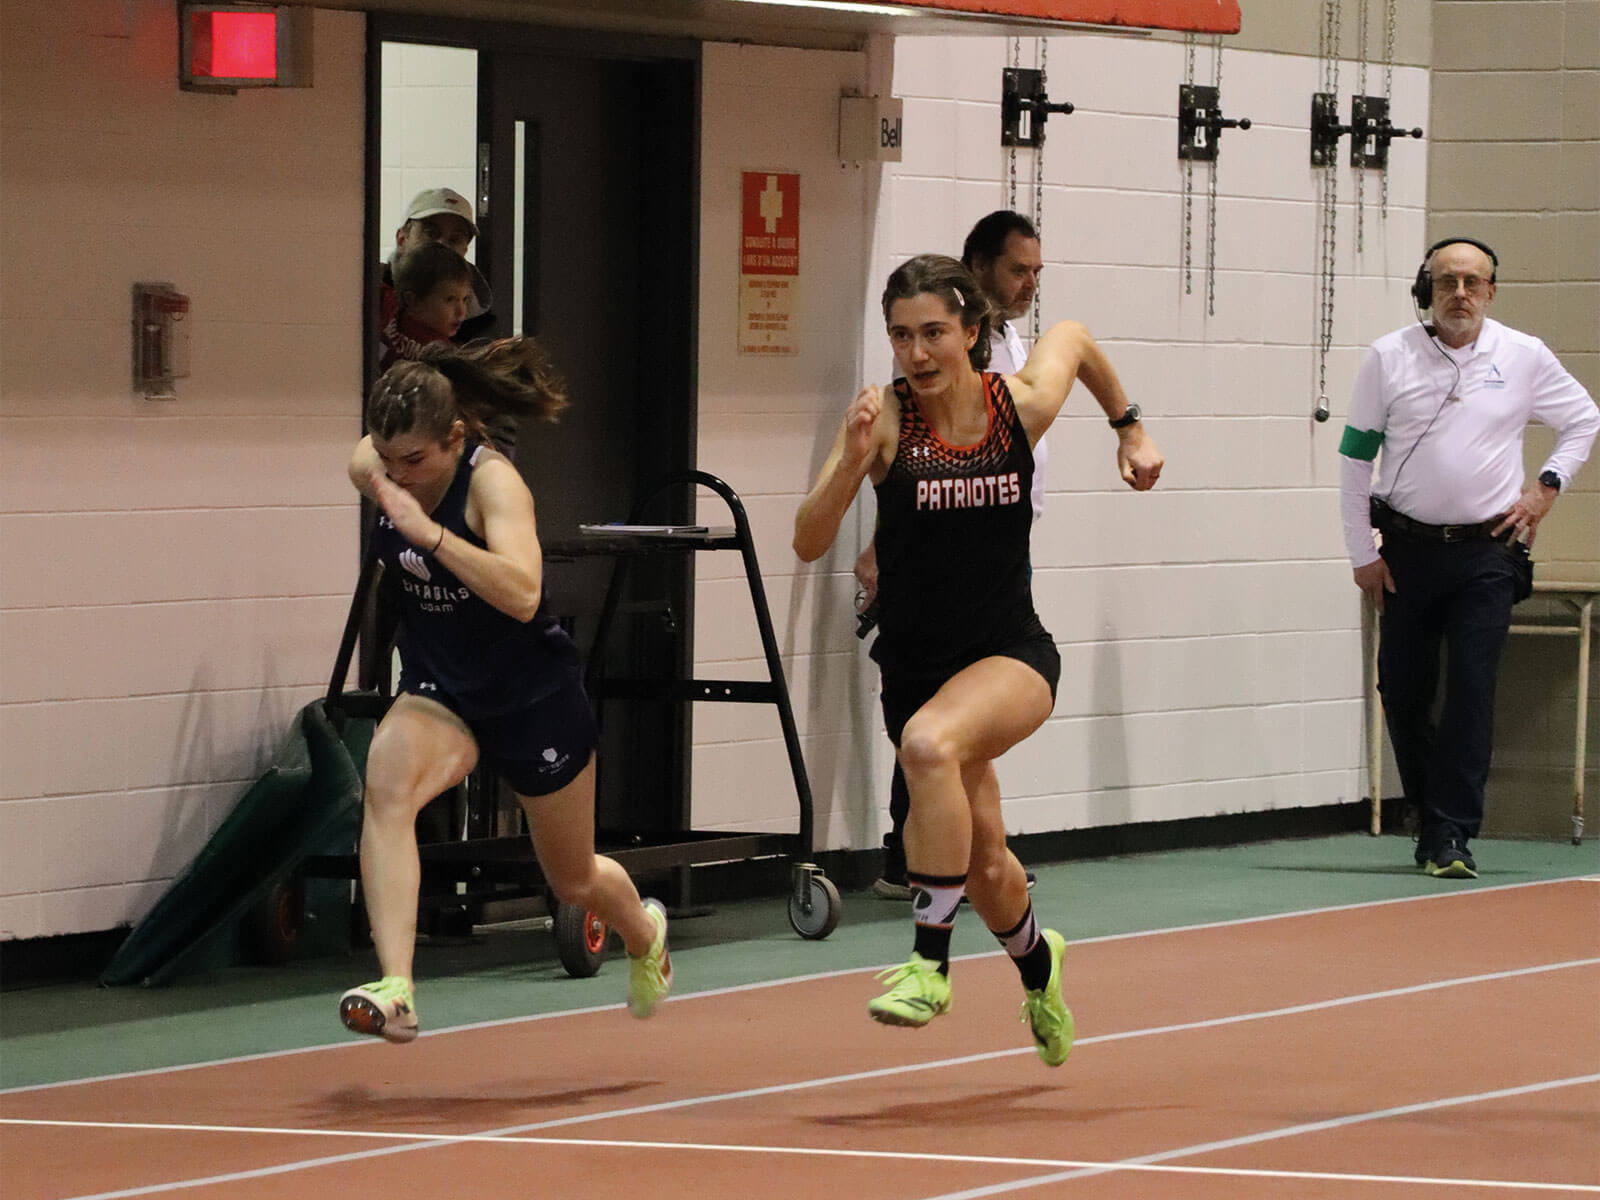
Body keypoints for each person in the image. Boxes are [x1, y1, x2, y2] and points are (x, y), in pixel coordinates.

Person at [794, 254, 1162, 1065]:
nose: (916, 354)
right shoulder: (884, 420)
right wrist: (853, 459)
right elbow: (808, 538)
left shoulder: (1018, 407)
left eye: (933, 334)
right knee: (988, 859)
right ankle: (1040, 968)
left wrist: (1129, 428)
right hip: (918, 668)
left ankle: (929, 966)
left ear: (972, 332)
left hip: (1011, 656)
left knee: (930, 744)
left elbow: (1073, 338)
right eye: (899, 336)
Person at [338, 338, 672, 1043]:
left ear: (457, 438)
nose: (400, 476)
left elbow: (522, 593)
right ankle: (397, 986)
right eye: (389, 459)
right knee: (387, 782)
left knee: (574, 878)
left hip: (531, 696)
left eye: (417, 462)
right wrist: (388, 479)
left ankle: (644, 935)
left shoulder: (494, 486)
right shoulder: (378, 464)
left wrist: (430, 535)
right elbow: (361, 459)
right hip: (444, 690)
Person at [1339, 236, 1597, 879]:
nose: (1460, 294)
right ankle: (1433, 817)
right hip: (1405, 549)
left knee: (1472, 692)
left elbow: (1584, 419)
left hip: (1489, 551)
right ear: (1426, 289)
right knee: (1402, 688)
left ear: (1490, 291)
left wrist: (1545, 489)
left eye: (1473, 282)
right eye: (1447, 281)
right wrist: (1359, 553)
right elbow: (1353, 459)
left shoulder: (1524, 356)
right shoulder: (1388, 358)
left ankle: (1452, 832)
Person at [861, 212, 1053, 899]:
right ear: (979, 270)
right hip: (940, 547)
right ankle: (917, 869)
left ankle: (966, 868)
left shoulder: (1016, 347)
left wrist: (1129, 426)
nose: (1028, 283)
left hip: (1001, 549)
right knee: (930, 720)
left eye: (1036, 271)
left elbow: (1076, 350)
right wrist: (877, 546)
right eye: (1016, 270)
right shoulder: (932, 363)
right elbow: (910, 463)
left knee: (946, 737)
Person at [378, 187, 494, 345]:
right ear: (402, 239)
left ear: (465, 250)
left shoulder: (481, 328)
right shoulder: (367, 292)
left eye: (454, 239)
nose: (442, 245)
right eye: (431, 233)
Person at [377, 242, 478, 373]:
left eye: (465, 299)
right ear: (412, 301)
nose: (461, 312)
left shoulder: (446, 356)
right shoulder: (388, 304)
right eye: (450, 300)